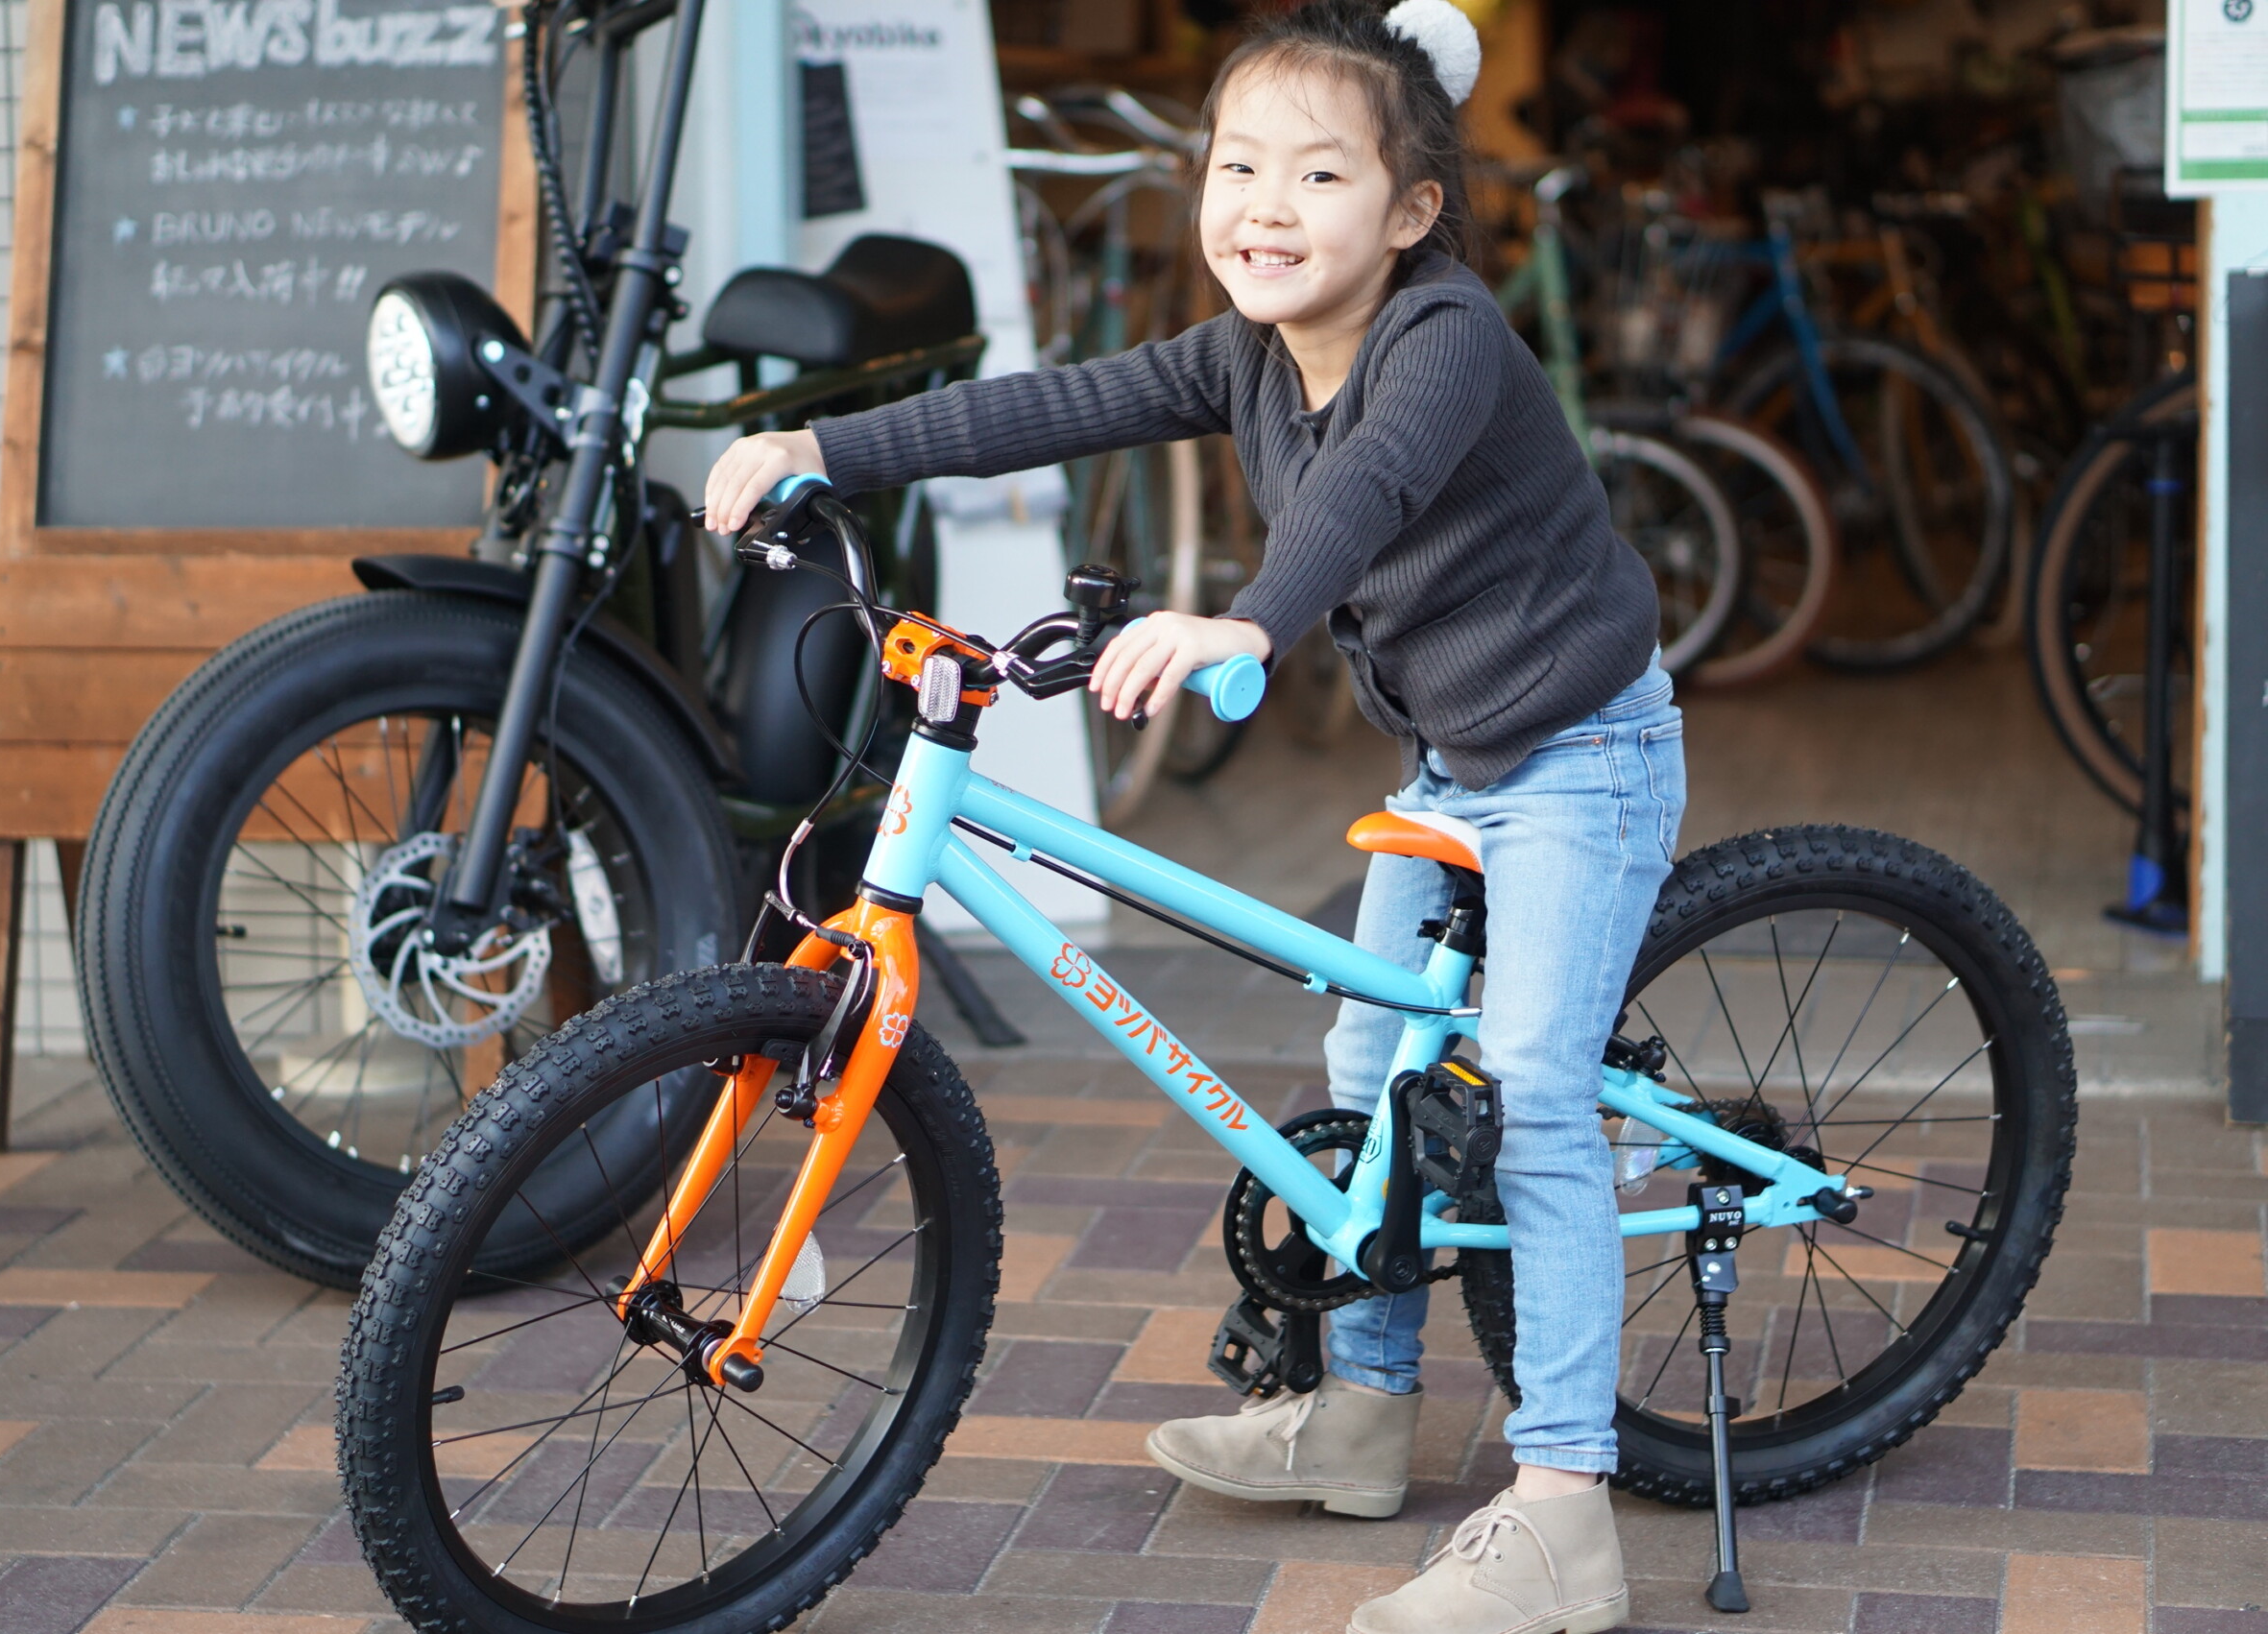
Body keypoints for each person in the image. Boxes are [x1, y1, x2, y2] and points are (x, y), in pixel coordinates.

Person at [703, 1, 1679, 1627]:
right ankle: (1363, 1413)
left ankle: (1568, 1506)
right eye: (1239, 167)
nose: (1267, 207)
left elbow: (1367, 490)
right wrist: (828, 445)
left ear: (1414, 210)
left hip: (1582, 753)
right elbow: (1049, 405)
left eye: (1320, 173)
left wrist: (1247, 621)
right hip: (1448, 764)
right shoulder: (1242, 353)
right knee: (1364, 1077)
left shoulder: (1444, 340)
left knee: (1531, 1089)